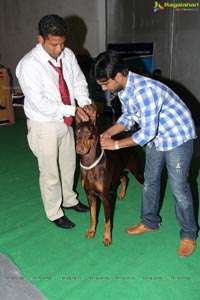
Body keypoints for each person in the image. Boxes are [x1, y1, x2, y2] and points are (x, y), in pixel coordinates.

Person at [91, 50, 198, 257]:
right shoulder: (124, 89)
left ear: (119, 76)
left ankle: (189, 234)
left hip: (177, 136)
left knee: (179, 188)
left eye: (105, 83)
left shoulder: (144, 91)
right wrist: (109, 132)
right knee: (150, 180)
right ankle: (150, 222)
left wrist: (115, 145)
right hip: (158, 137)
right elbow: (129, 117)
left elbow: (147, 132)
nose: (103, 88)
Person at [16, 14, 96, 229]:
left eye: (62, 43)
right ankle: (54, 212)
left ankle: (69, 200)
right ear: (40, 39)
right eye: (54, 44)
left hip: (66, 121)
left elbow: (78, 81)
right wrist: (74, 109)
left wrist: (85, 103)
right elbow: (40, 102)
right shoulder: (28, 65)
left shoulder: (67, 54)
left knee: (69, 164)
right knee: (50, 171)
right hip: (44, 124)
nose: (59, 49)